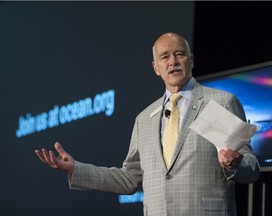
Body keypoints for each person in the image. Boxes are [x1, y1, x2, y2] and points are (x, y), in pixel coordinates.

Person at [35, 32, 260, 216]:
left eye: (179, 54)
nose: (172, 61)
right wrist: (76, 168)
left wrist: (234, 164)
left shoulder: (219, 102)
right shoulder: (144, 119)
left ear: (190, 60)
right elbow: (129, 179)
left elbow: (251, 169)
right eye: (165, 57)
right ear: (156, 67)